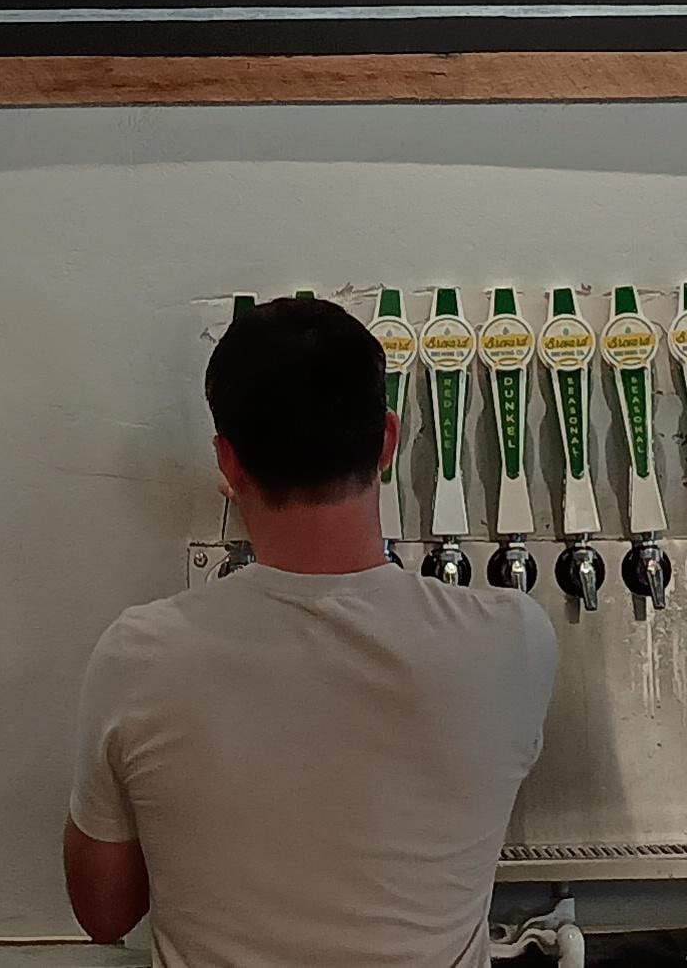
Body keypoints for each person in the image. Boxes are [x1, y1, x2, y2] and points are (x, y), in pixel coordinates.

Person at [64, 297, 556, 968]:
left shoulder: (139, 655)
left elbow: (104, 914)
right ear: (387, 442)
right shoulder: (514, 641)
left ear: (229, 463)